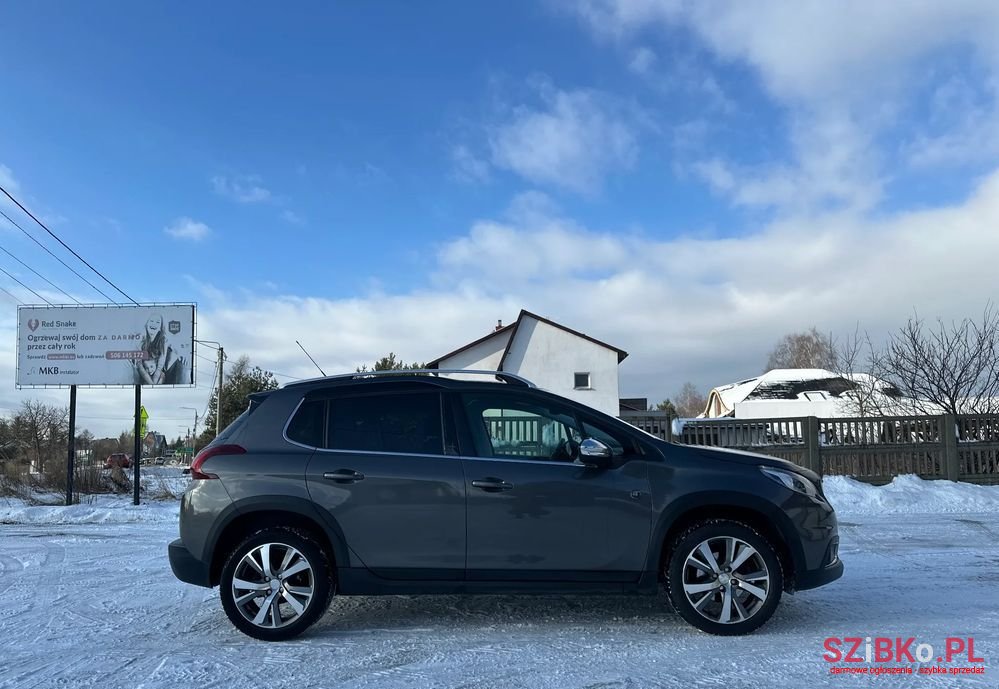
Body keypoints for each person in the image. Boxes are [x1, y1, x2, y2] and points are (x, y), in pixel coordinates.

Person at [132, 314, 187, 384]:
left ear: (160, 328)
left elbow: (160, 365)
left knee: (163, 373)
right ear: (146, 324)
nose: (154, 324)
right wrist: (151, 383)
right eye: (151, 321)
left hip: (156, 371)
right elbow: (139, 366)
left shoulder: (163, 340)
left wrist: (154, 383)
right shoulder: (139, 340)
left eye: (158, 322)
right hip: (143, 372)